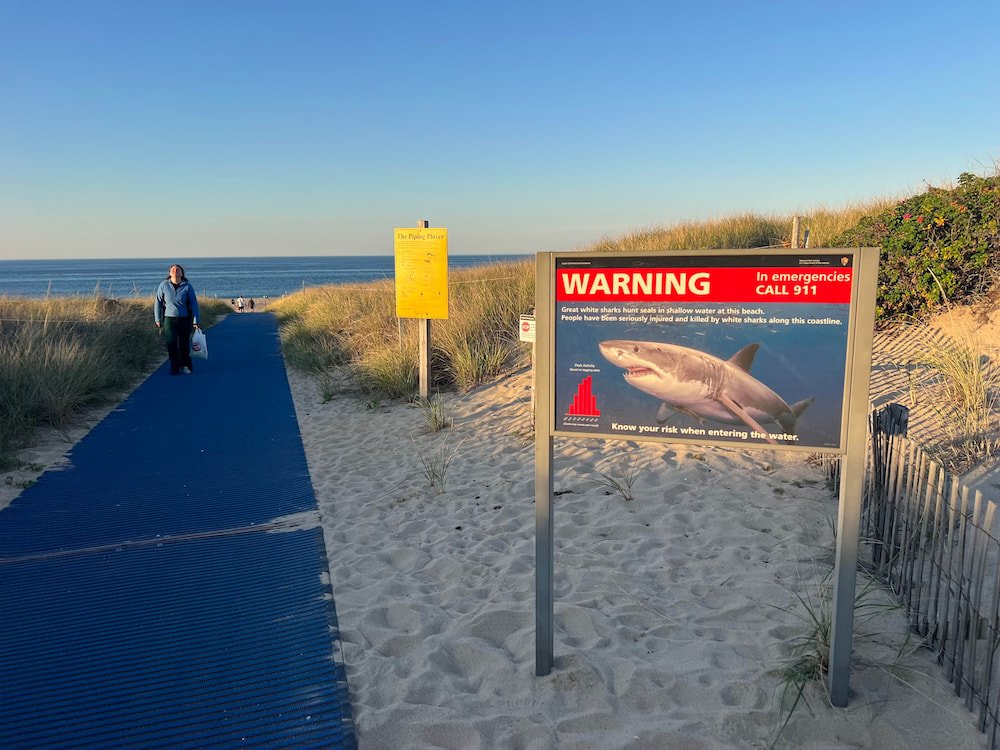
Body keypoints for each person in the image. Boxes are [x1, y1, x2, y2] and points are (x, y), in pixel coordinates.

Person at [154, 264, 200, 375]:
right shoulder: (163, 285)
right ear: (169, 273)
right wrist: (157, 318)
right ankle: (174, 367)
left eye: (177, 270)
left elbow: (194, 303)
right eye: (173, 270)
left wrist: (195, 320)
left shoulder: (187, 286)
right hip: (169, 320)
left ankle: (185, 366)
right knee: (172, 344)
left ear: (181, 273)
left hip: (184, 319)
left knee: (184, 344)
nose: (175, 271)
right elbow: (158, 302)